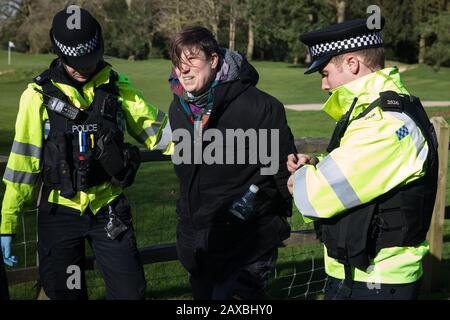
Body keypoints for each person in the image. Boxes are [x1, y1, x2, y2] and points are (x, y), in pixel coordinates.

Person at [0, 6, 171, 300]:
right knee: (68, 293)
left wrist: (209, 148)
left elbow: (157, 131)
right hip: (59, 213)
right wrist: (8, 222)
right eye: (73, 62)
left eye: (88, 61)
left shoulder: (117, 88)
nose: (82, 68)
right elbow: (22, 163)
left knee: (130, 293)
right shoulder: (36, 96)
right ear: (58, 52)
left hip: (108, 210)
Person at [287, 17, 438, 300]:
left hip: (376, 280)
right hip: (365, 274)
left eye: (325, 72)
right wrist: (318, 165)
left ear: (353, 64)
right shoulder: (382, 109)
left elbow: (316, 196)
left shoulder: (384, 124)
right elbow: (362, 171)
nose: (324, 84)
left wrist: (301, 179)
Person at [168, 26, 296, 300]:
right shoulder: (178, 107)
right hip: (198, 242)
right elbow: (185, 173)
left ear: (214, 60)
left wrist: (278, 213)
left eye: (192, 62)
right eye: (178, 65)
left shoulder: (261, 106)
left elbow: (282, 171)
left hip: (248, 243)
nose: (184, 71)